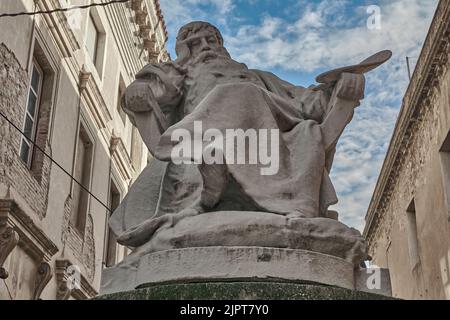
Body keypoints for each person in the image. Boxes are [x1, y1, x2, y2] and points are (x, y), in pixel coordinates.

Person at [110, 21, 367, 248]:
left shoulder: (257, 79)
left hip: (268, 144)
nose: (206, 47)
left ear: (222, 45)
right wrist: (139, 91)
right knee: (237, 93)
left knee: (276, 113)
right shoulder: (179, 77)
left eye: (211, 41)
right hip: (199, 142)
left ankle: (278, 199)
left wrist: (336, 90)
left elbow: (305, 103)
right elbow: (149, 90)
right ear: (184, 52)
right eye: (195, 44)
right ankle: (222, 175)